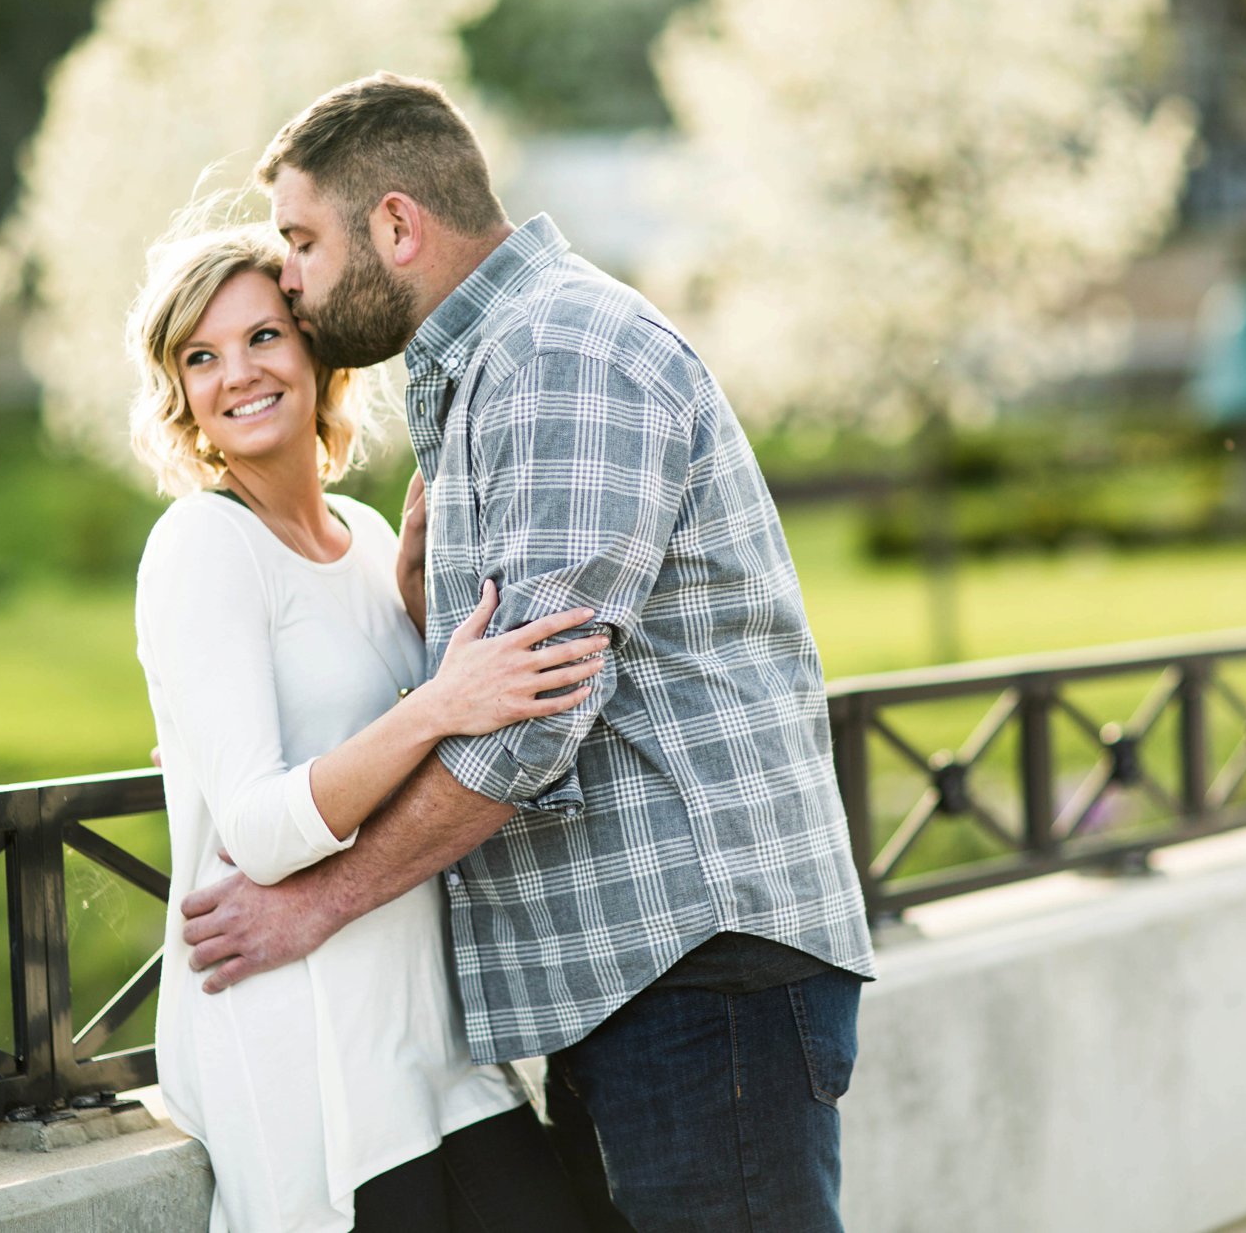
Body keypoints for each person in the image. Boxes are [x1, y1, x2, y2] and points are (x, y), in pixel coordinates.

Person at [177, 73, 878, 1233]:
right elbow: (494, 681)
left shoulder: (559, 354)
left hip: (697, 976)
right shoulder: (491, 366)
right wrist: (413, 605)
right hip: (632, 982)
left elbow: (527, 724)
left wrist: (317, 903)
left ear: (396, 226)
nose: (288, 279)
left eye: (300, 242)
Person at [128, 224, 602, 1232]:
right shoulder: (201, 546)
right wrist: (440, 700)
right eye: (199, 357)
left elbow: (394, 752)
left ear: (313, 354)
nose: (237, 375)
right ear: (180, 393)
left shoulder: (368, 539)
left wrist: (412, 613)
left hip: (428, 1034)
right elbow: (256, 830)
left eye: (262, 337)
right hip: (306, 1040)